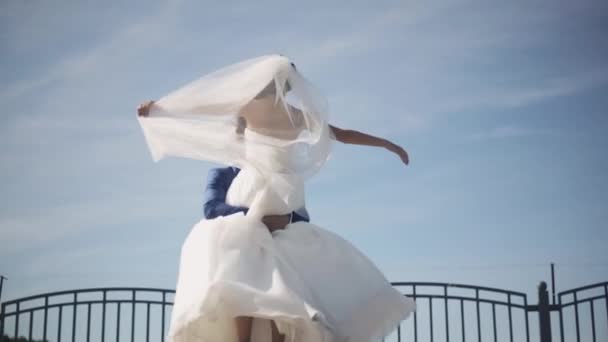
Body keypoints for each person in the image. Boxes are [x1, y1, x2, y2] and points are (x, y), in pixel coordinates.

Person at [137, 55, 415, 342]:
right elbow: (343, 135)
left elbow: (203, 105)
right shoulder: (297, 116)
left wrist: (159, 108)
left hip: (255, 187)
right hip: (283, 191)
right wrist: (388, 144)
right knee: (267, 267)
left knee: (249, 264)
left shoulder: (247, 107)